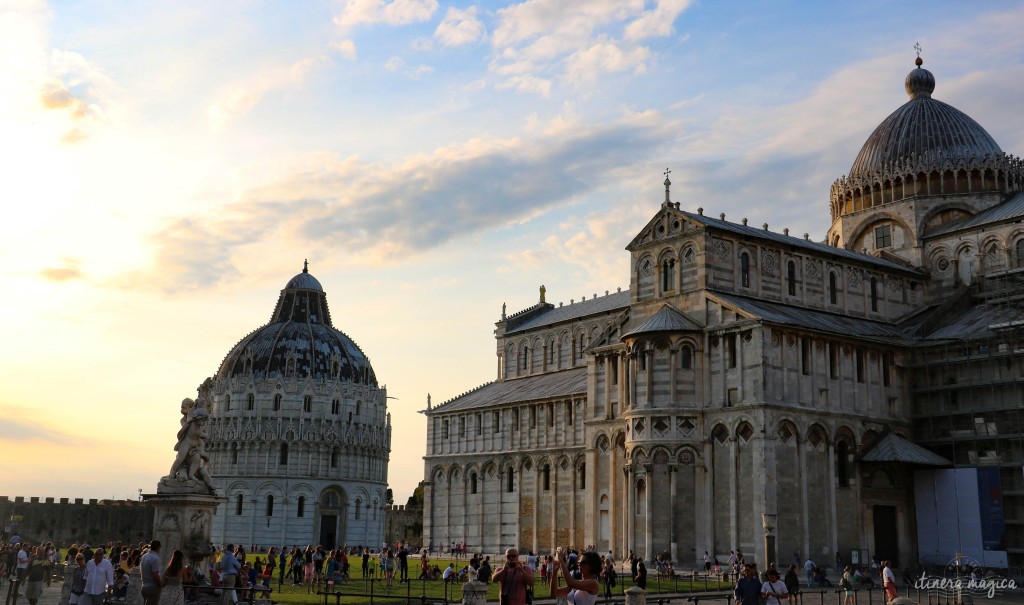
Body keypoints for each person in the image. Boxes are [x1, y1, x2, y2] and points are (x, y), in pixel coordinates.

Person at [140, 540, 163, 605]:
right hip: (152, 587)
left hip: (144, 586)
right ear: (158, 548)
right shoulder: (156, 558)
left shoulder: (144, 557)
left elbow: (141, 571)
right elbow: (155, 575)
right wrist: (160, 585)